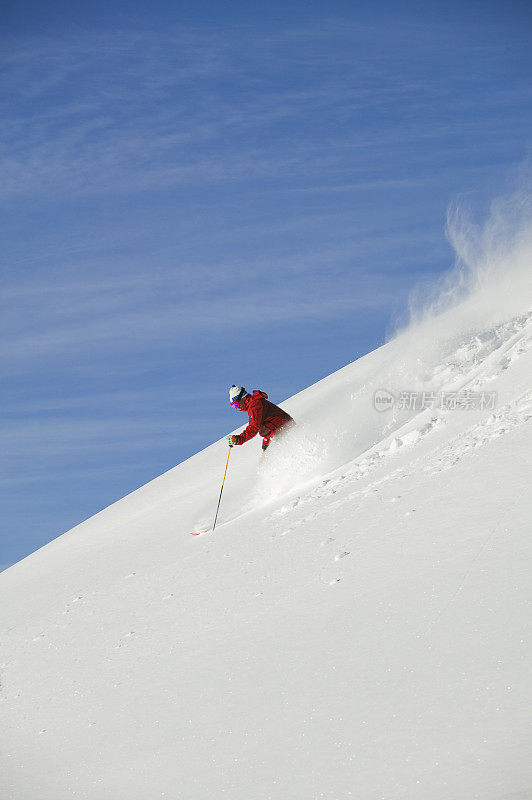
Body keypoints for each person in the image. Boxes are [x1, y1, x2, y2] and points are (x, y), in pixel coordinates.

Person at [227, 385, 294, 451]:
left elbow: (253, 428)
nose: (236, 407)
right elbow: (268, 424)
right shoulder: (253, 405)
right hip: (282, 427)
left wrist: (239, 439)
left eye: (236, 404)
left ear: (243, 398)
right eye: (233, 405)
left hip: (286, 427)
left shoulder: (255, 405)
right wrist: (266, 444)